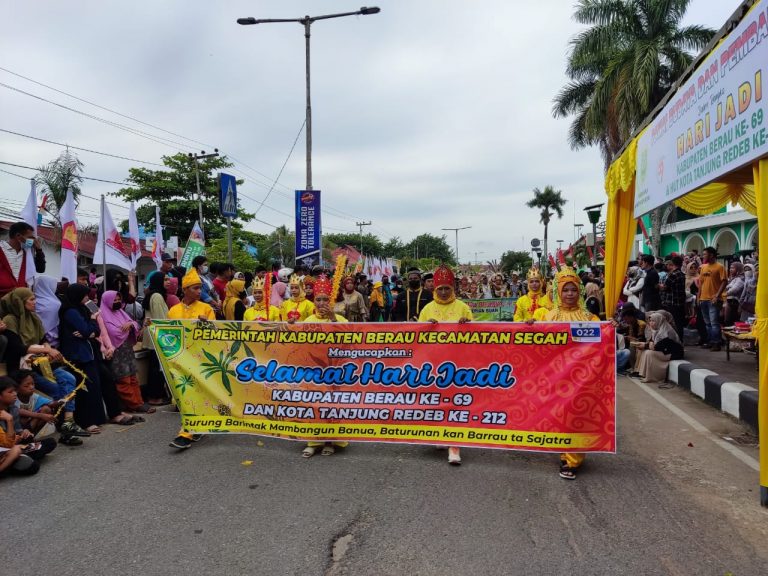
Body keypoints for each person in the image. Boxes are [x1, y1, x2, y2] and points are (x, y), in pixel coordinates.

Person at [529, 265, 599, 480]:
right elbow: (536, 346)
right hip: (555, 376)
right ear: (558, 292)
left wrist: (611, 327)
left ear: (580, 291)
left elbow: (600, 345)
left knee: (576, 416)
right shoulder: (548, 317)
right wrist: (530, 327)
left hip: (581, 377)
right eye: (565, 290)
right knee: (558, 416)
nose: (570, 294)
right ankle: (564, 451)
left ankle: (573, 460)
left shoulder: (590, 318)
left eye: (573, 290)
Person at [0, 287, 88, 443]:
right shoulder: (10, 320)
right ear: (20, 302)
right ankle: (65, 431)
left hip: (41, 363)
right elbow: (19, 348)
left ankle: (68, 421)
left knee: (69, 378)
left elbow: (43, 340)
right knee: (57, 390)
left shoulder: (34, 318)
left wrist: (48, 349)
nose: (35, 302)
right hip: (23, 368)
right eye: (31, 299)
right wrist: (47, 350)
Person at [418, 264, 472, 465]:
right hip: (434, 363)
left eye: (446, 288)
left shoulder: (463, 307)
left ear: (452, 288)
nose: (442, 292)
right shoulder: (427, 309)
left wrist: (468, 324)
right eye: (440, 288)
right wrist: (426, 327)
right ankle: (440, 434)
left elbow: (477, 335)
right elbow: (417, 336)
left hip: (457, 363)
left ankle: (454, 446)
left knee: (455, 402)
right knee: (437, 401)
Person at [301, 274, 349, 457]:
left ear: (331, 301)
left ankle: (331, 441)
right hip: (314, 370)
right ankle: (313, 442)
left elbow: (349, 338)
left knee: (333, 405)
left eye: (325, 300)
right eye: (318, 299)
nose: (321, 303)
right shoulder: (308, 321)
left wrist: (333, 319)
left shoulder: (340, 319)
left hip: (335, 371)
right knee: (314, 404)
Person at [168, 268, 216, 450]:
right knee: (186, 395)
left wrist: (207, 324)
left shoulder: (206, 309)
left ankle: (186, 432)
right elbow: (167, 334)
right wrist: (150, 325)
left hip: (201, 359)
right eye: (195, 288)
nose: (199, 291)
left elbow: (216, 334)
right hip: (179, 359)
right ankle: (197, 426)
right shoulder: (173, 310)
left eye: (200, 288)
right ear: (185, 289)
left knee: (195, 393)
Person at [100, 290, 151, 413]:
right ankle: (134, 404)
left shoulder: (120, 312)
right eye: (114, 300)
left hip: (127, 349)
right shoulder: (102, 315)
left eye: (119, 300)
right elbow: (115, 333)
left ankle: (139, 402)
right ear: (107, 301)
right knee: (123, 379)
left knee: (133, 377)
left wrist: (130, 324)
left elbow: (134, 324)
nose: (117, 302)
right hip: (116, 351)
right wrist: (128, 326)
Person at [142, 272, 171, 405]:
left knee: (155, 367)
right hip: (158, 337)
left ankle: (154, 396)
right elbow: (161, 319)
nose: (168, 282)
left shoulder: (153, 294)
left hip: (153, 336)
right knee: (157, 369)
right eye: (165, 279)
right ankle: (155, 397)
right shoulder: (157, 296)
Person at [631, 311, 684, 384]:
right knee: (643, 351)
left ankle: (652, 377)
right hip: (664, 351)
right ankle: (642, 373)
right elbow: (654, 344)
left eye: (653, 321)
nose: (651, 323)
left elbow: (657, 347)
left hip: (673, 353)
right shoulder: (656, 330)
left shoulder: (666, 331)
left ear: (659, 321)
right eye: (650, 321)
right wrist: (646, 345)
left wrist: (647, 345)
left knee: (649, 353)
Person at [0, 222, 46, 297]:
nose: (33, 241)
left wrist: (39, 250)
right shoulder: (1, 249)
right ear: (18, 236)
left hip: (20, 299)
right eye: (30, 238)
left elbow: (40, 269)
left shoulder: (27, 254)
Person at [698, 246, 727, 351]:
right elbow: (701, 283)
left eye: (705, 254)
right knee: (707, 323)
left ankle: (716, 343)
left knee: (714, 322)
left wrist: (717, 295)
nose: (703, 256)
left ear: (711, 255)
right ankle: (710, 341)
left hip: (714, 299)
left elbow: (724, 281)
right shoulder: (703, 267)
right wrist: (699, 297)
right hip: (703, 299)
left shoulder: (720, 267)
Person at [660, 255, 687, 341]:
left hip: (672, 302)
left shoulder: (673, 275)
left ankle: (676, 341)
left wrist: (659, 286)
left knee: (674, 322)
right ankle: (680, 340)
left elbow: (665, 287)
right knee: (679, 322)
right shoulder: (682, 274)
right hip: (680, 302)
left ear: (673, 263)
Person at [724, 261, 745, 326]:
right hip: (730, 302)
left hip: (735, 303)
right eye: (730, 268)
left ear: (738, 269)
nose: (731, 269)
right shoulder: (732, 278)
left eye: (733, 268)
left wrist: (724, 293)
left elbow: (734, 290)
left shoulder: (740, 279)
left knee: (731, 321)